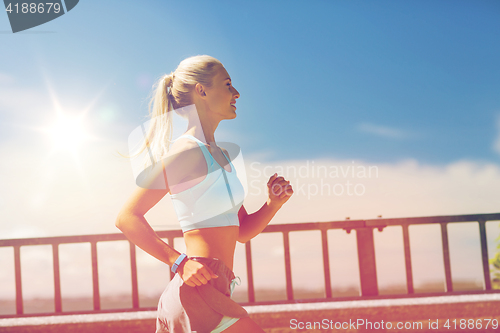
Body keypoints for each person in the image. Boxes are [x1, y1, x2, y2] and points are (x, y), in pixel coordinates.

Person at [116, 55, 293, 333]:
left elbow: (242, 231)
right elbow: (127, 217)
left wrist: (272, 204)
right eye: (228, 84)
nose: (236, 93)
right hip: (197, 292)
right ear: (202, 90)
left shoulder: (222, 157)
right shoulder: (187, 152)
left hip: (215, 288)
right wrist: (179, 263)